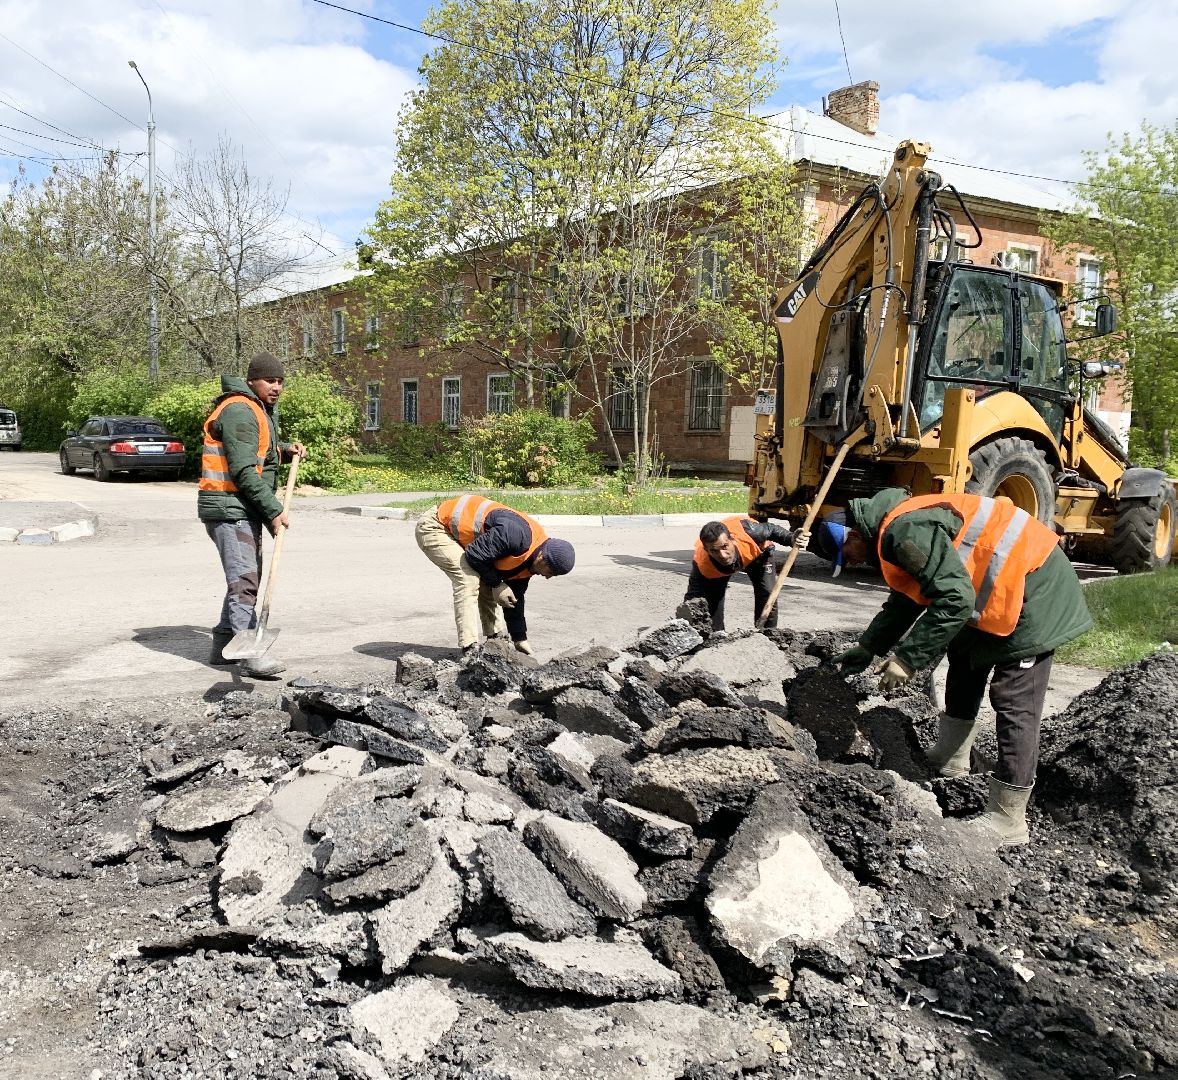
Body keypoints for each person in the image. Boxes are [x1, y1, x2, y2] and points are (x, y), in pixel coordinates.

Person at [811, 488, 1092, 847]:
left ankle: (1008, 817)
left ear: (853, 535)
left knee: (1014, 700)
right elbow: (909, 596)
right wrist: (869, 647)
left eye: (846, 556)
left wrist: (907, 660)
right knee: (964, 660)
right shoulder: (892, 527)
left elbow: (956, 599)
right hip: (999, 589)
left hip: (1035, 589)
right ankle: (952, 758)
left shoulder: (903, 531)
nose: (850, 563)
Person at [199, 352, 306, 679]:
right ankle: (250, 654)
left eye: (280, 381)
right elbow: (244, 471)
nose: (276, 387)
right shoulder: (240, 411)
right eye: (269, 381)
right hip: (229, 507)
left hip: (240, 507)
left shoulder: (257, 409)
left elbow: (258, 454)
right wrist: (274, 511)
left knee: (243, 577)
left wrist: (284, 450)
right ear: (251, 382)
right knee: (245, 580)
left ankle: (223, 644)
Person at [416, 494, 575, 656]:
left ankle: (495, 640)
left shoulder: (531, 558)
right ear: (542, 558)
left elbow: (514, 598)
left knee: (489, 579)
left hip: (464, 538)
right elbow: (474, 555)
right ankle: (469, 647)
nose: (548, 577)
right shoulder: (513, 536)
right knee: (469, 579)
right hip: (436, 525)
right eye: (551, 572)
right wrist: (498, 584)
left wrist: (519, 638)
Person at [684, 516, 794, 630]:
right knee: (712, 600)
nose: (723, 555)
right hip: (718, 570)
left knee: (768, 593)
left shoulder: (751, 532)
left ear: (732, 539)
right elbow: (693, 598)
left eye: (725, 546)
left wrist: (791, 538)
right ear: (707, 550)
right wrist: (686, 625)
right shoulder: (703, 564)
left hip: (758, 556)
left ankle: (768, 632)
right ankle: (717, 635)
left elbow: (772, 529)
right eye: (714, 551)